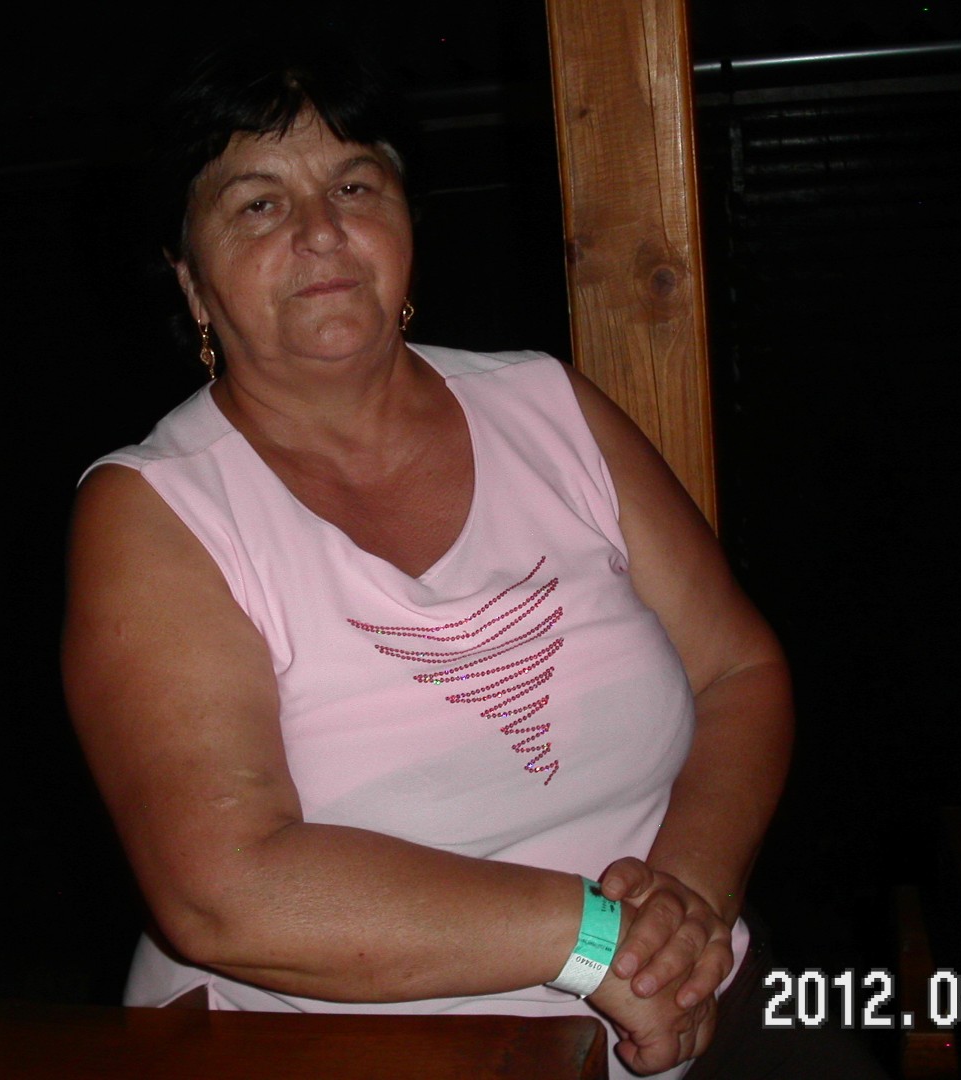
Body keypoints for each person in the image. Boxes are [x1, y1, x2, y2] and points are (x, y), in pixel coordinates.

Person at [61, 38, 837, 1078]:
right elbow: (224, 892)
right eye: (258, 203)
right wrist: (597, 943)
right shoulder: (153, 511)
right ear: (190, 278)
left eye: (355, 184)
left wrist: (687, 909)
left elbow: (738, 671)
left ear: (406, 224)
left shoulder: (549, 405)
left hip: (701, 997)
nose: (321, 230)